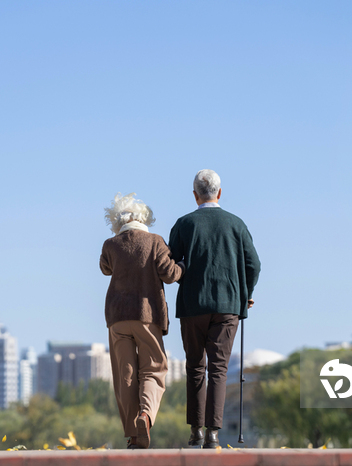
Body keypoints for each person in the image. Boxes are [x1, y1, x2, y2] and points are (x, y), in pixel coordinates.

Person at [169, 169, 261, 448]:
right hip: (228, 305)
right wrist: (247, 294)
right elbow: (253, 265)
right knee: (219, 369)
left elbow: (171, 265)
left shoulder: (183, 224)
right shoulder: (237, 224)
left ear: (195, 194)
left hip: (192, 305)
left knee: (195, 367)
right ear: (219, 193)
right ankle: (213, 434)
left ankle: (195, 431)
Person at [100, 193, 184, 449]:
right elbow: (169, 274)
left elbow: (105, 268)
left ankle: (132, 436)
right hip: (146, 315)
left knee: (125, 373)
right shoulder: (155, 241)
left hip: (117, 317)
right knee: (153, 368)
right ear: (145, 218)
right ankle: (145, 416)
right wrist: (182, 266)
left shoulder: (110, 245)